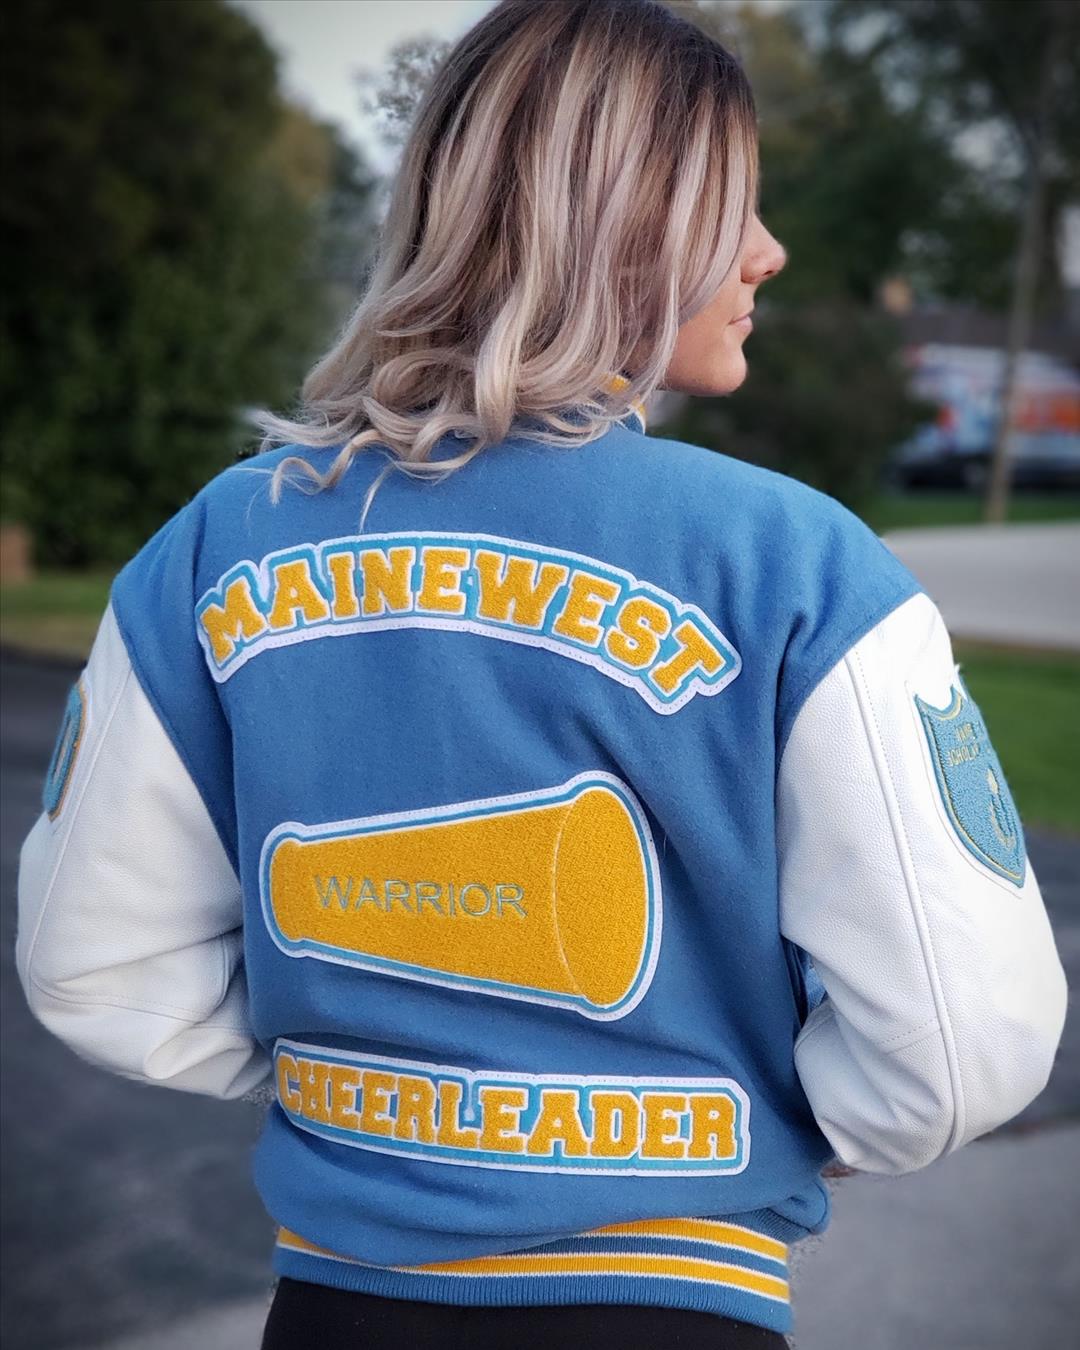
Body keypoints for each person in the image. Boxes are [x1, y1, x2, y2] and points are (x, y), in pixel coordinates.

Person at [15, 1, 1067, 1347]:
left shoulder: (216, 542)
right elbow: (959, 1045)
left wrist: (372, 1074)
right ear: (627, 222)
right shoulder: (800, 561)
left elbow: (96, 966)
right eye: (733, 208)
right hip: (675, 1304)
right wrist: (756, 1110)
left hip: (335, 1308)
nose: (771, 252)